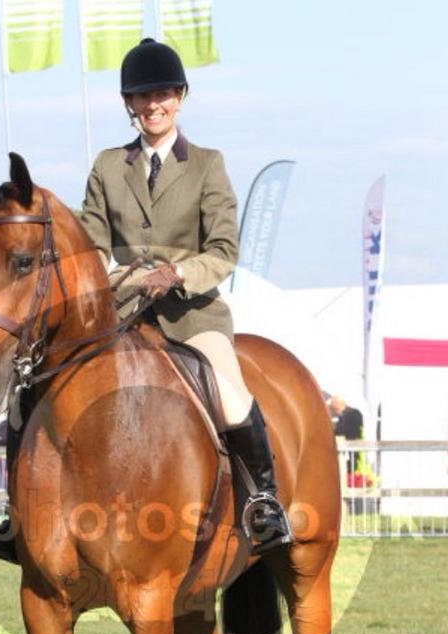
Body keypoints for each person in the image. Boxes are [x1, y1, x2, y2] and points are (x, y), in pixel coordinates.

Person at [79, 37, 292, 554]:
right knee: (47, 381)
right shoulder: (108, 167)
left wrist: (176, 273)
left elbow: (223, 249)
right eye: (142, 96)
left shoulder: (207, 165)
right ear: (129, 104)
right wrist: (122, 282)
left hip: (193, 315)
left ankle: (262, 503)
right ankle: (20, 512)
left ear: (179, 97)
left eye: (163, 95)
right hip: (123, 313)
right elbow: (90, 245)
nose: (153, 105)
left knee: (233, 395)